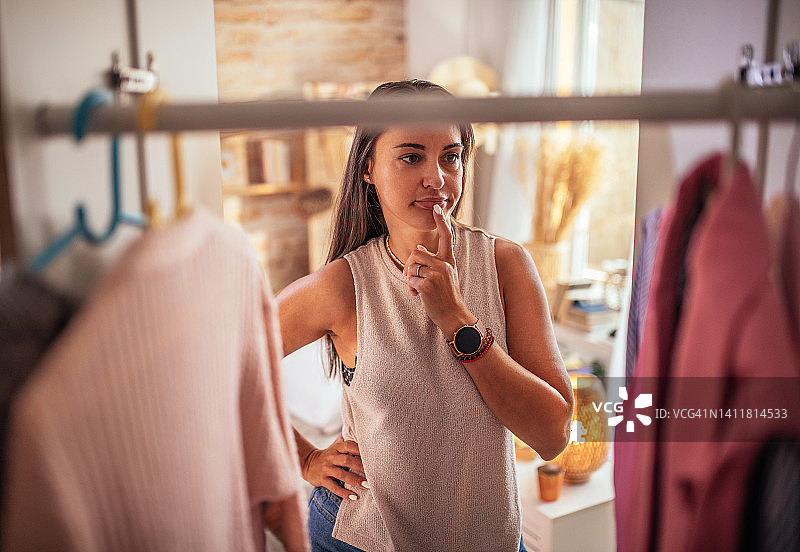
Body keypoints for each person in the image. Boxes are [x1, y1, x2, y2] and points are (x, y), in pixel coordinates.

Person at [276, 79, 573, 552]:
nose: (437, 177)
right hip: (362, 538)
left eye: (451, 157)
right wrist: (306, 458)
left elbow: (554, 434)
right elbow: (228, 366)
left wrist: (456, 319)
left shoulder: (506, 266)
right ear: (368, 168)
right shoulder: (343, 286)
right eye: (411, 156)